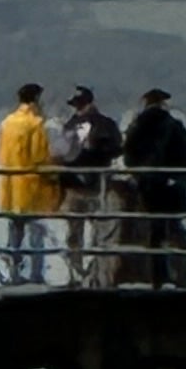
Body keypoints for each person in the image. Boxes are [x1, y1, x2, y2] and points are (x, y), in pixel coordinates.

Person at [121, 84, 186, 288]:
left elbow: (128, 156)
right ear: (163, 103)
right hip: (171, 187)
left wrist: (139, 175)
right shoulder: (173, 125)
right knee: (176, 232)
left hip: (148, 186)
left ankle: (157, 277)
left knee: (154, 232)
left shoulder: (137, 126)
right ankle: (180, 275)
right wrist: (181, 180)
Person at [56, 84, 118, 285]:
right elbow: (117, 148)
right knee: (98, 233)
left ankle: (78, 273)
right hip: (95, 185)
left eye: (78, 104)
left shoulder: (69, 125)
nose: (78, 108)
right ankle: (94, 273)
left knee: (76, 234)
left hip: (77, 186)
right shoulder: (106, 124)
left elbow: (61, 154)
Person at [0, 84, 57, 282]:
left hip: (10, 186)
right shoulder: (36, 124)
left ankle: (13, 273)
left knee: (14, 235)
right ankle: (36, 274)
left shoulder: (7, 122)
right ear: (36, 99)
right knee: (36, 235)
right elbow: (40, 157)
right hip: (31, 187)